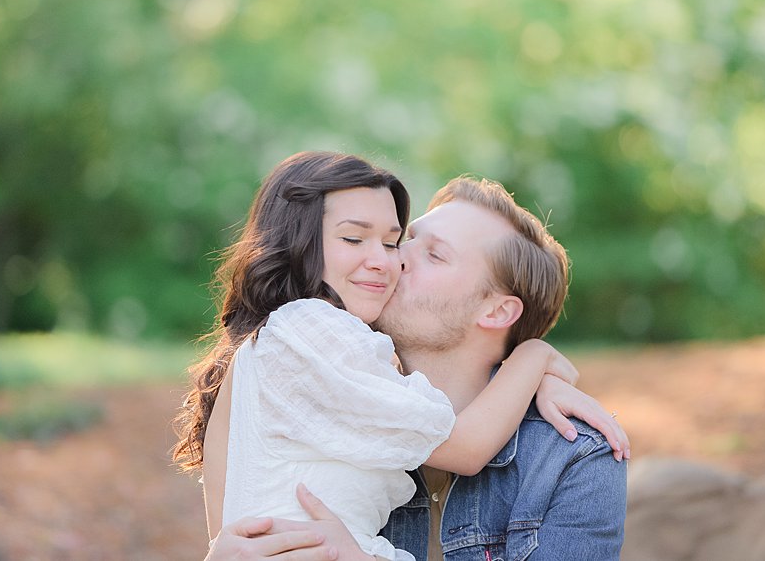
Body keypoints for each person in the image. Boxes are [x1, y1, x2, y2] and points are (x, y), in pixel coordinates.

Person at [172, 152, 596, 560]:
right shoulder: (307, 332)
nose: (388, 262)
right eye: (354, 238)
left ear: (499, 311)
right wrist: (532, 358)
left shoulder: (286, 346)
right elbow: (465, 448)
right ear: (298, 242)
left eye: (393, 242)